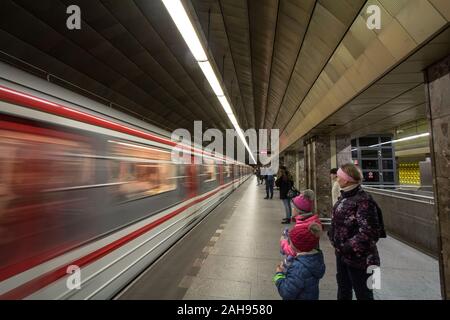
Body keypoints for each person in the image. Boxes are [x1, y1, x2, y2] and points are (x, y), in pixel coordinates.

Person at [328, 163, 385, 300]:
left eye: (339, 176)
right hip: (343, 255)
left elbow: (369, 233)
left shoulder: (364, 201)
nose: (337, 179)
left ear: (346, 179)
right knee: (343, 288)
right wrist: (333, 237)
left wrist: (345, 246)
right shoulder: (345, 196)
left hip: (362, 259)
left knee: (364, 293)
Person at [274, 221, 325, 300]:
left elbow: (286, 292)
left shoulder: (299, 268)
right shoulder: (315, 258)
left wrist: (279, 274)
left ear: (297, 248)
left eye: (290, 243)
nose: (289, 245)